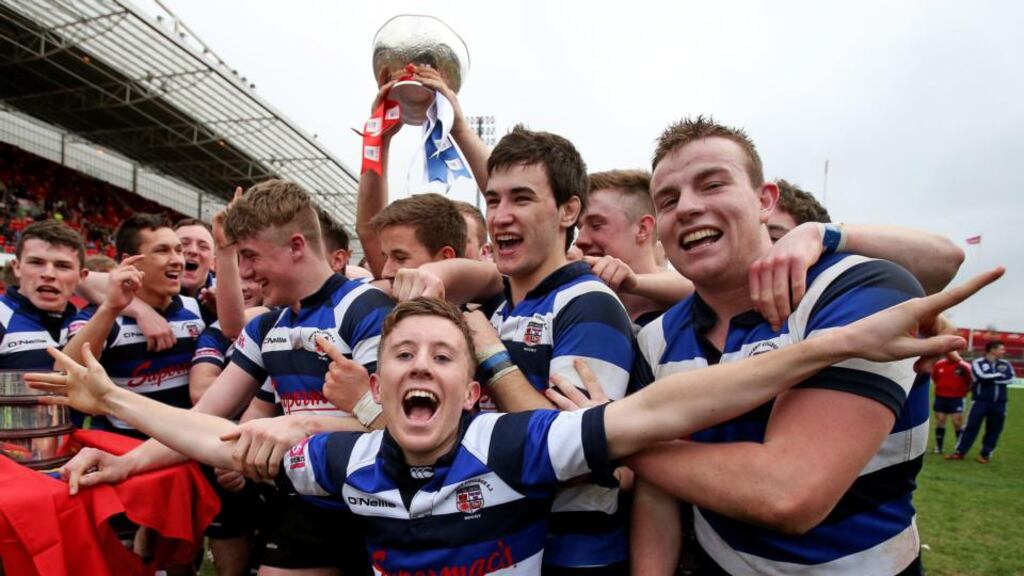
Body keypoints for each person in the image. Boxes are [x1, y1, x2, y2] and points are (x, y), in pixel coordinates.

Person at [27, 272, 994, 576]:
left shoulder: (514, 444)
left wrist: (828, 345)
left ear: (470, 387)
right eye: (404, 353)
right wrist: (111, 402)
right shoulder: (351, 460)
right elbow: (224, 440)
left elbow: (664, 408)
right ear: (380, 373)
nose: (421, 367)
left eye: (443, 356)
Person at [628, 116, 953, 575]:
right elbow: (658, 494)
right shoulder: (655, 337)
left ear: (765, 200)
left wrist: (611, 437)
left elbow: (787, 494)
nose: (687, 207)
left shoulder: (855, 287)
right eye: (668, 199)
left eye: (712, 184)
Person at [57, 180, 393, 576]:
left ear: (297, 246)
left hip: (382, 505)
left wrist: (305, 425)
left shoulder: (368, 308)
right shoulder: (267, 327)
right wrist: (126, 463)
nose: (244, 273)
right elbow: (204, 417)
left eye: (249, 256)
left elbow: (396, 428)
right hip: (309, 503)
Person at [466, 126, 639, 574]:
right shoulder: (499, 311)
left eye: (521, 199)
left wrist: (491, 357)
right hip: (499, 550)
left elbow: (571, 455)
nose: (501, 215)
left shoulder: (589, 303)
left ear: (568, 210)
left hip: (572, 557)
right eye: (493, 200)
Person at [63, 213, 204, 438]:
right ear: (132, 260)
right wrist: (111, 308)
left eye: (178, 250)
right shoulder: (100, 316)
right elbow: (63, 376)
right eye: (162, 250)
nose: (178, 260)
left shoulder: (196, 310)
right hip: (125, 456)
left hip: (188, 450)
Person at [574, 169, 693, 327]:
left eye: (596, 225)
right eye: (579, 228)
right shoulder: (575, 310)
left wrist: (634, 283)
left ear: (642, 229)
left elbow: (698, 287)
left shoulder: (693, 315)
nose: (580, 240)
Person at [0, 220, 87, 370]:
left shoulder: (90, 320)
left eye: (62, 266)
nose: (48, 274)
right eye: (36, 262)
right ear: (17, 267)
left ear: (82, 276)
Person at [948, 341, 1016, 463]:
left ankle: (985, 454)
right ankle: (960, 452)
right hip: (980, 402)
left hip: (1000, 403)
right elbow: (980, 376)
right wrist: (1000, 376)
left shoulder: (1005, 364)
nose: (1004, 352)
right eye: (1001, 349)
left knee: (994, 429)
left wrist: (993, 377)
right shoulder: (978, 362)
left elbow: (1010, 379)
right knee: (970, 427)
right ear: (992, 350)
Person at [930, 356, 973, 454]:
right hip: (941, 397)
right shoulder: (939, 364)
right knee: (940, 421)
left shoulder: (964, 366)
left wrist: (963, 392)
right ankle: (939, 447)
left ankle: (960, 448)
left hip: (957, 398)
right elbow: (935, 378)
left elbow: (971, 381)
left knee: (957, 422)